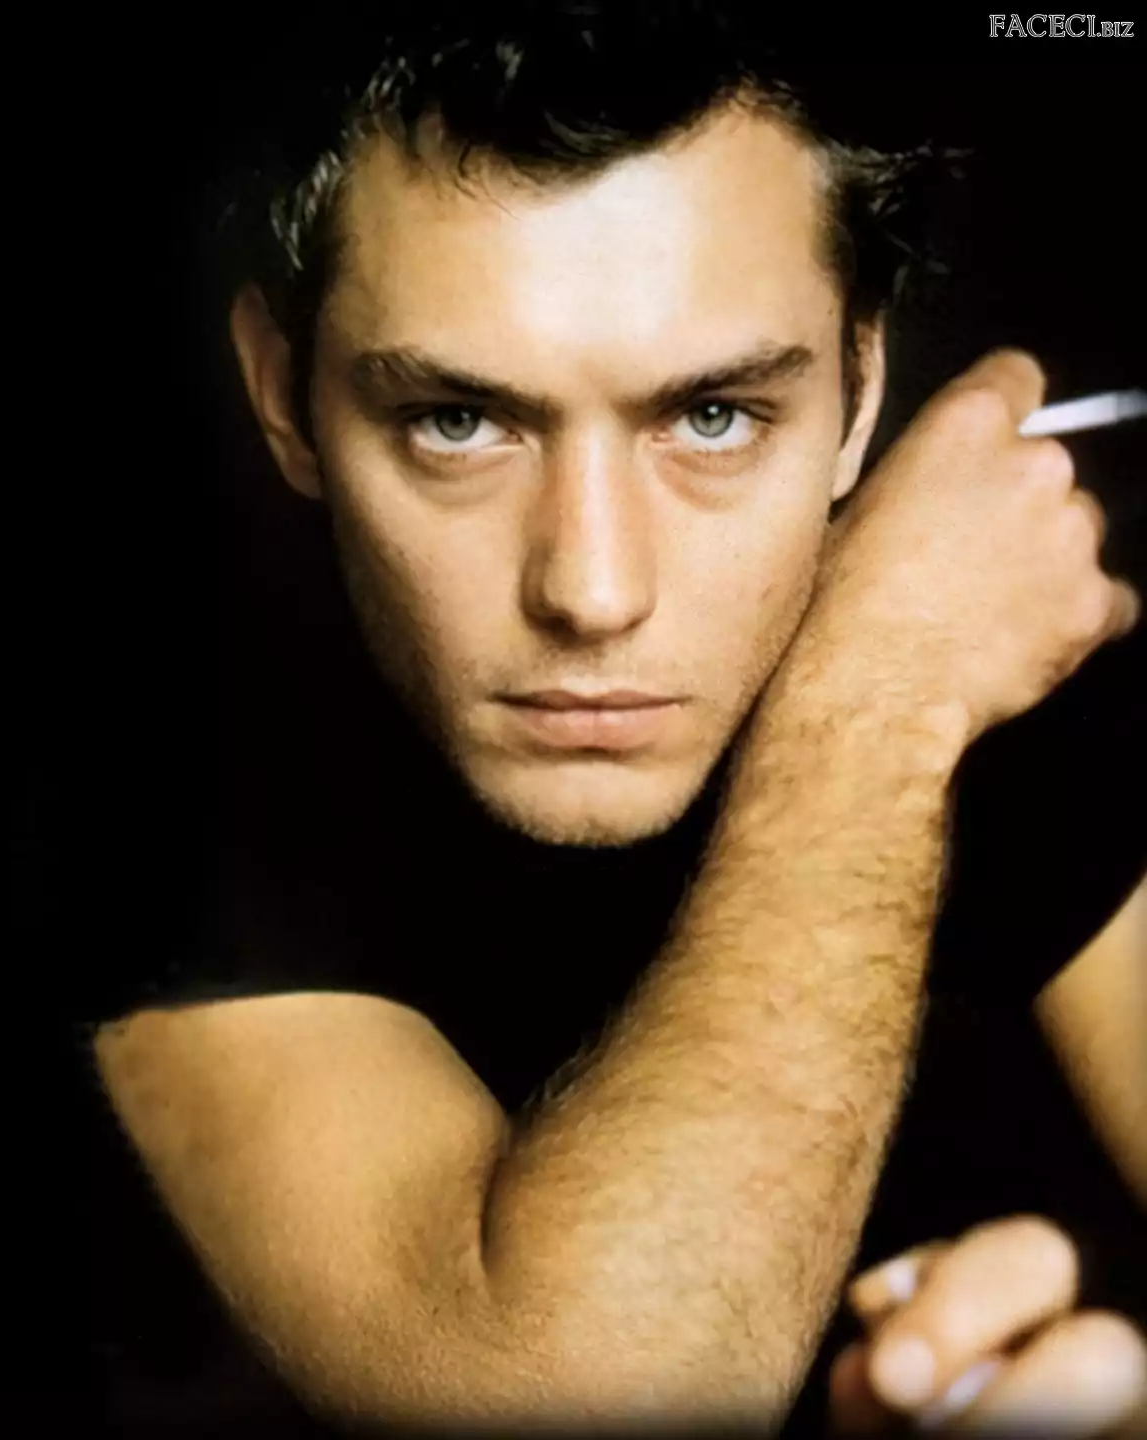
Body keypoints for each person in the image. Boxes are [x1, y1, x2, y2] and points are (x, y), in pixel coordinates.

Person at [72, 5, 1147, 1435]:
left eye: (713, 417)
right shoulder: (145, 757)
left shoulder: (1013, 653)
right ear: (283, 393)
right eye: (458, 421)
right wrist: (882, 698)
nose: (592, 590)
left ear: (858, 395)